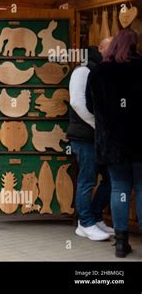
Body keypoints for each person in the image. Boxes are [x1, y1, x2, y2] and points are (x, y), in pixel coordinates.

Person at [88, 29, 142, 258]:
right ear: (134, 45)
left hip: (112, 144)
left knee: (119, 189)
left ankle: (121, 243)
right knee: (141, 189)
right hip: (140, 142)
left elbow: (91, 107)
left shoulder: (99, 71)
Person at [68, 38, 114, 241]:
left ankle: (95, 217)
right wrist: (99, 126)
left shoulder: (100, 69)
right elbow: (77, 103)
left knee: (111, 179)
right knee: (87, 180)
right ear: (100, 48)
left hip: (97, 137)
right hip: (85, 136)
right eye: (109, 47)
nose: (113, 51)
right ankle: (85, 223)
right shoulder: (83, 70)